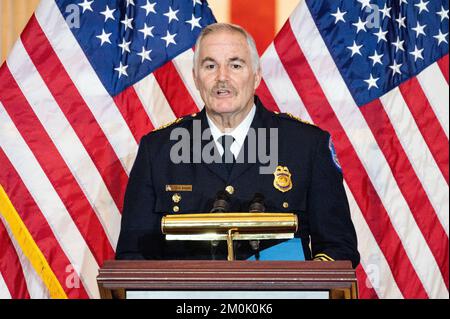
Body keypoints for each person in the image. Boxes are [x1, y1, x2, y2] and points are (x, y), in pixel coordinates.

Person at [115, 23, 360, 268]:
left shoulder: (307, 145)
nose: (222, 77)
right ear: (196, 78)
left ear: (256, 75)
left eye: (235, 65)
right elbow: (132, 255)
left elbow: (338, 248)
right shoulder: (157, 150)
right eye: (210, 66)